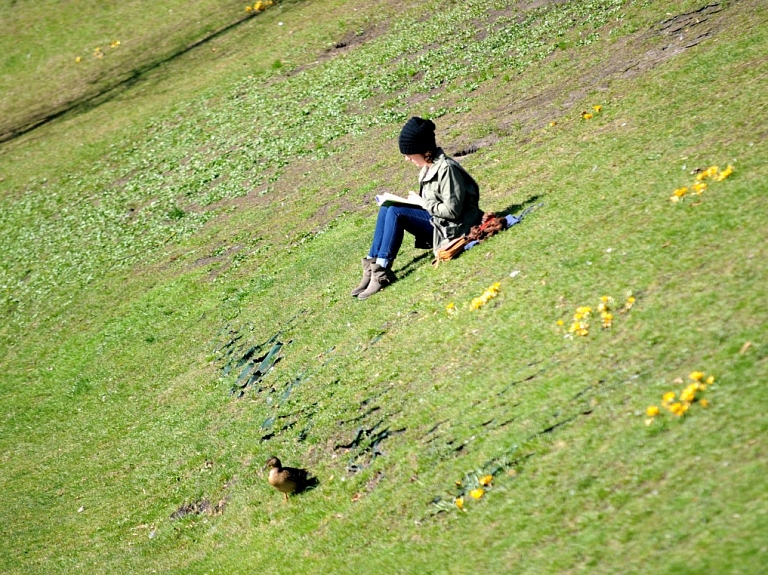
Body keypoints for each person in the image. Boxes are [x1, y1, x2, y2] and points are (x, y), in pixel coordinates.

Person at [352, 117, 483, 299]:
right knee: (387, 207)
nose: (407, 159)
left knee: (396, 212)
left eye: (409, 153)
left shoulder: (447, 169)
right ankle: (371, 268)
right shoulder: (428, 168)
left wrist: (422, 203)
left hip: (454, 228)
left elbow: (453, 211)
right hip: (439, 221)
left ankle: (381, 272)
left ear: (422, 149)